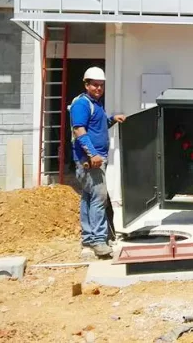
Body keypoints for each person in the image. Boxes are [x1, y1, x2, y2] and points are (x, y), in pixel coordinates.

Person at [69, 67, 126, 258]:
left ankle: (88, 237)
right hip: (90, 161)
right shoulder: (82, 104)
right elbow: (79, 130)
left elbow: (96, 127)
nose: (98, 88)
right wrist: (92, 154)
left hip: (93, 159)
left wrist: (112, 120)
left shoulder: (96, 104)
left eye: (101, 85)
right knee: (99, 199)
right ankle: (98, 241)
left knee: (88, 198)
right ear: (86, 84)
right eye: (94, 85)